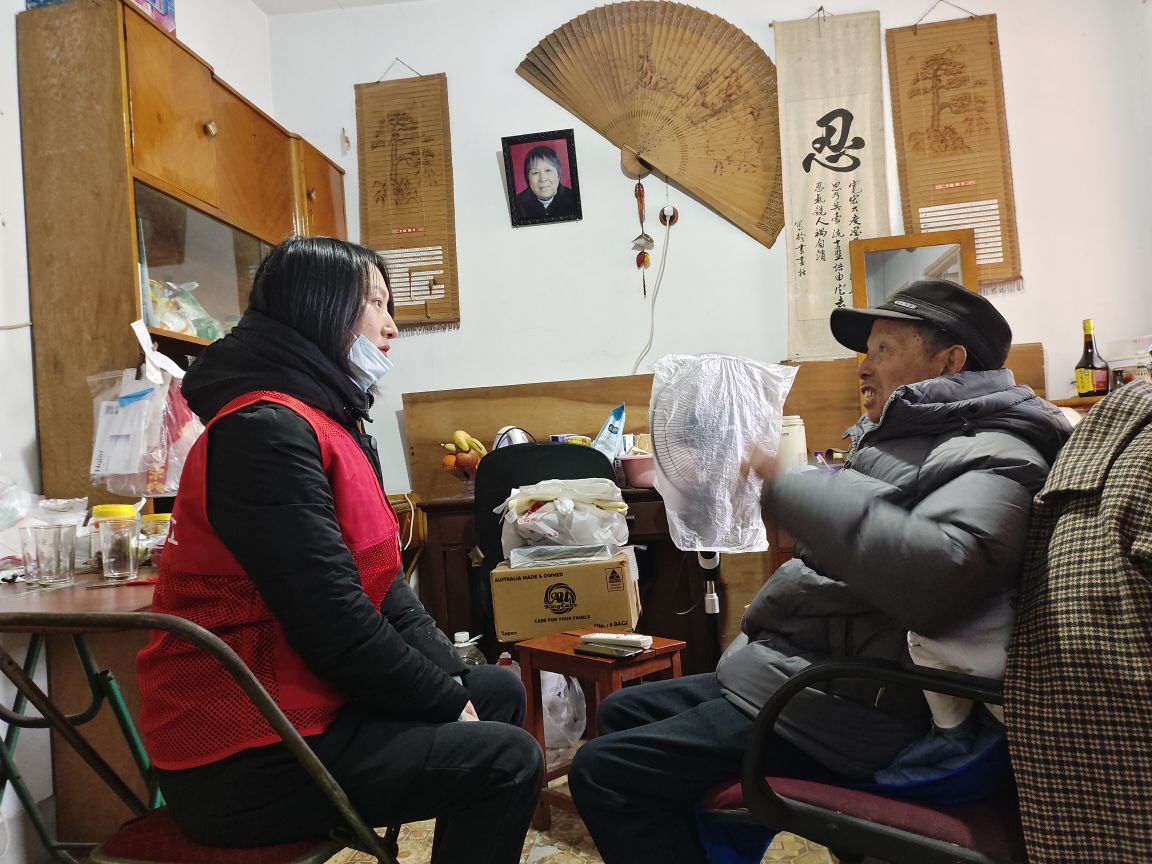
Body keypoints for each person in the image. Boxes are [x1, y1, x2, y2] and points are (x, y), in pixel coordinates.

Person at [568, 279, 1072, 864]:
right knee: (621, 710)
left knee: (603, 771)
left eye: (883, 349)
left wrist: (795, 491)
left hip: (860, 708)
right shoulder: (914, 440)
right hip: (819, 676)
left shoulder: (996, 449)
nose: (864, 366)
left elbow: (943, 576)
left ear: (951, 359)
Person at [136, 236, 543, 863]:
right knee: (507, 758)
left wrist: (453, 684)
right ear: (318, 309)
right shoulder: (261, 433)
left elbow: (387, 594)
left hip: (307, 708)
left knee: (495, 691)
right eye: (375, 304)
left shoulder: (320, 419)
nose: (391, 326)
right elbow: (336, 627)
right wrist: (446, 703)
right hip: (246, 750)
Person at [513, 144, 578, 220]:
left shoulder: (574, 198)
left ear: (558, 175)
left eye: (548, 170)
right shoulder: (516, 204)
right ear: (528, 178)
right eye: (535, 173)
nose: (542, 179)